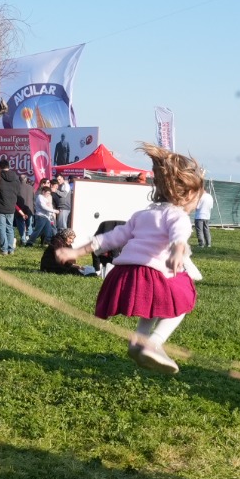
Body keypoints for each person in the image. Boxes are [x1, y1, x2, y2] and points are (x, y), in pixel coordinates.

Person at [55, 143, 204, 375]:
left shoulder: (142, 215)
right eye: (198, 199)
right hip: (155, 272)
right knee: (182, 301)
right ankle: (154, 342)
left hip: (129, 272)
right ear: (189, 194)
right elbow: (179, 234)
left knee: (154, 306)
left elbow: (112, 238)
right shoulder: (178, 216)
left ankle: (139, 340)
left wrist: (75, 252)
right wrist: (177, 250)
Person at [0, 157, 20, 255]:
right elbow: (18, 191)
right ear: (8, 166)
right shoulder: (15, 178)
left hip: (1, 206)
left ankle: (4, 249)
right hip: (11, 206)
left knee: (1, 228)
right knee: (10, 228)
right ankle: (11, 249)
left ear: (0, 167)